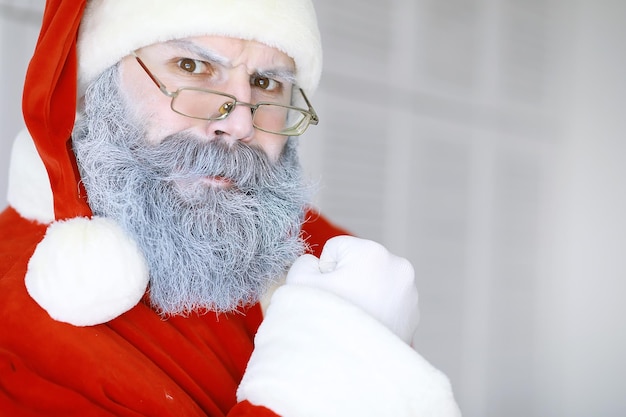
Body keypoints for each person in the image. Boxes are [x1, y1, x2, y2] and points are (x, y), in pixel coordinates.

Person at [0, 1, 461, 416]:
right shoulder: (18, 317)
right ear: (87, 89)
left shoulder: (323, 253)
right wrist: (338, 359)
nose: (240, 121)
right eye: (192, 65)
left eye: (266, 82)